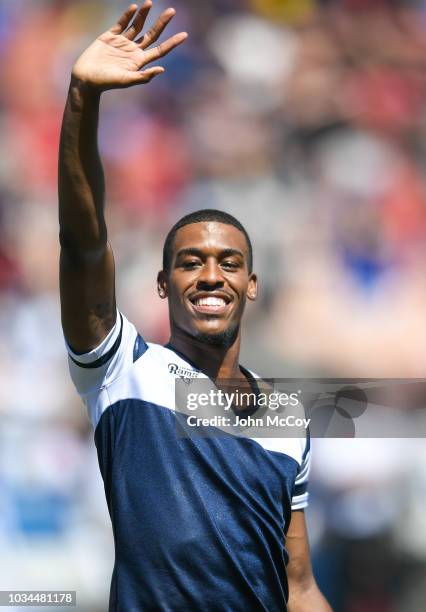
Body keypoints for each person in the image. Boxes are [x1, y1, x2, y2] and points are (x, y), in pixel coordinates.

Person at [58, 3, 331, 610]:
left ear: (252, 284)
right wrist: (83, 99)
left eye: (229, 263)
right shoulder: (122, 370)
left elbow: (299, 584)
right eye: (190, 262)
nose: (211, 276)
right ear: (161, 284)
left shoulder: (285, 418)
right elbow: (82, 242)